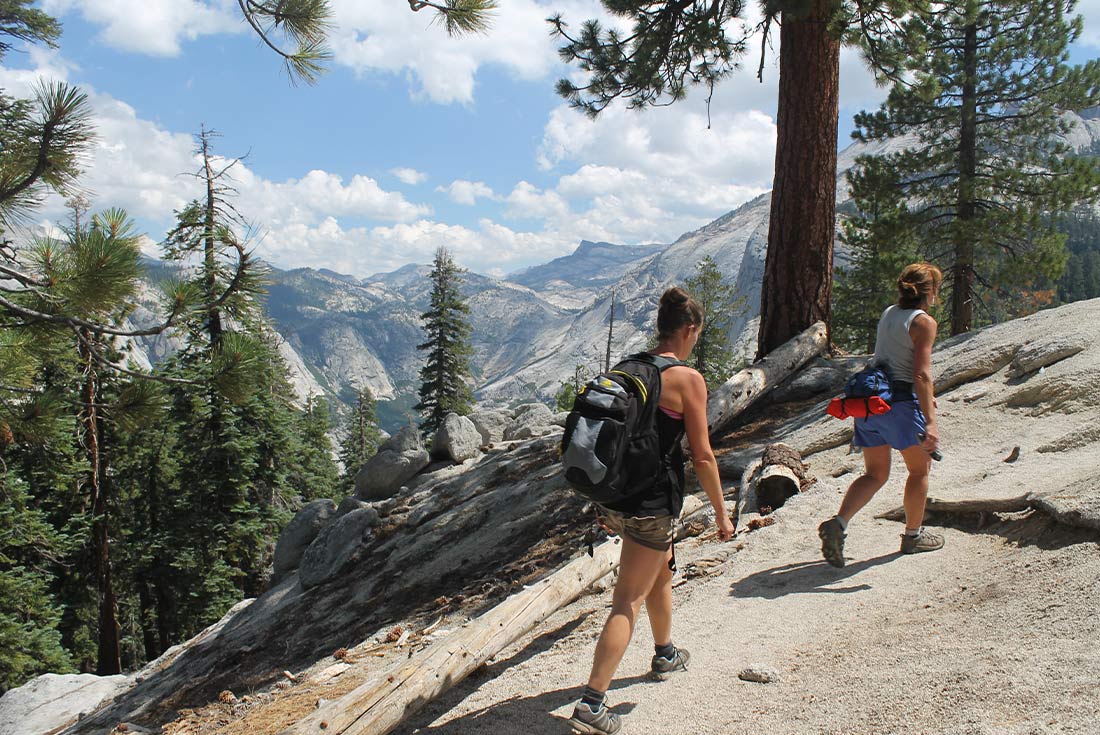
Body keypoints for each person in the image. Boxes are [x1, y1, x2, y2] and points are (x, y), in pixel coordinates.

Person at [567, 287, 735, 735]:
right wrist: (722, 513)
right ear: (689, 329)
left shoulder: (631, 366)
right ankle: (592, 704)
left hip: (614, 497)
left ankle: (665, 652)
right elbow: (702, 455)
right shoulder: (687, 379)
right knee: (627, 600)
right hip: (651, 504)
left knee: (659, 569)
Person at [818, 262, 944, 568]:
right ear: (931, 292)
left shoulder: (889, 313)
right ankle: (913, 537)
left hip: (871, 403)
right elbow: (922, 374)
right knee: (918, 471)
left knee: (875, 474)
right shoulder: (923, 322)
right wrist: (929, 420)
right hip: (900, 405)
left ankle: (839, 523)